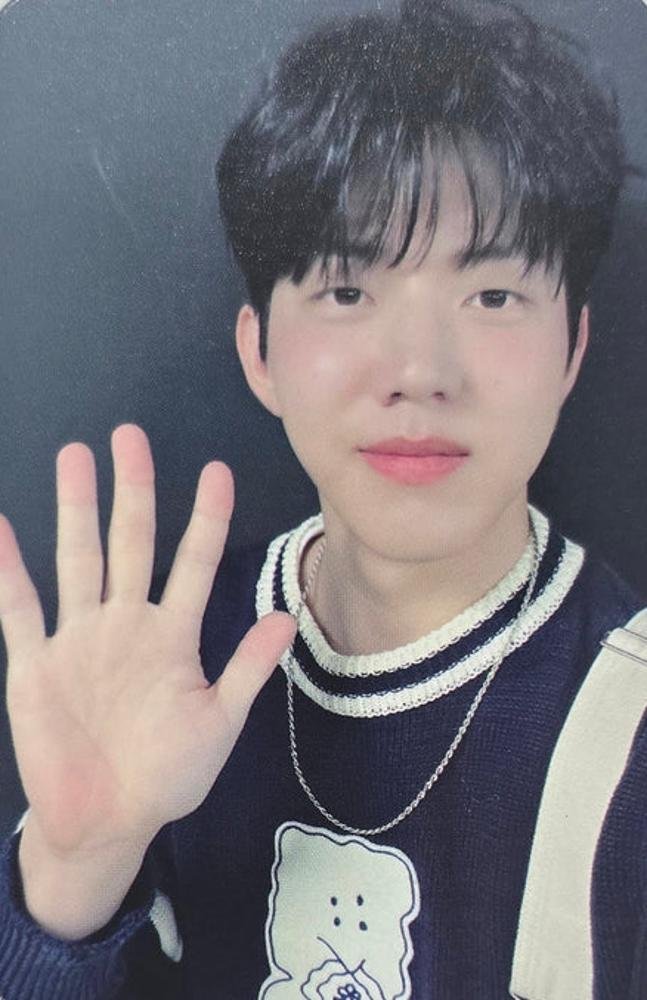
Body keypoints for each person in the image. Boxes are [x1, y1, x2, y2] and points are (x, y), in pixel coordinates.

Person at [0, 0, 645, 997]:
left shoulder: (626, 722)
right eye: (347, 292)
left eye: (491, 296)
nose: (418, 373)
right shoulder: (163, 660)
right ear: (259, 351)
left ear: (572, 350)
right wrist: (74, 870)